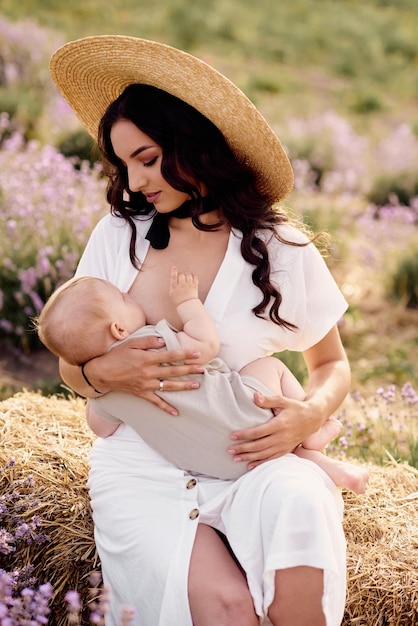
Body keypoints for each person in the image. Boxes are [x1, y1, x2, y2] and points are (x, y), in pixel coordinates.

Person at [49, 35, 353, 626]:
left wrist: (310, 416)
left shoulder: (279, 247)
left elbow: (331, 366)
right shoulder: (118, 235)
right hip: (142, 462)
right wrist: (97, 372)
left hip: (249, 451)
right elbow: (72, 356)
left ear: (193, 145)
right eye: (123, 164)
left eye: (147, 157)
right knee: (226, 608)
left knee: (300, 513)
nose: (134, 183)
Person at [36, 269, 368, 492]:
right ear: (119, 330)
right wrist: (187, 302)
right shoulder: (154, 341)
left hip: (221, 463)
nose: (131, 297)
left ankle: (328, 465)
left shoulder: (105, 394)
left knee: (268, 452)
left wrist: (99, 390)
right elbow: (206, 346)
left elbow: (100, 428)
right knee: (269, 366)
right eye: (124, 300)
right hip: (250, 412)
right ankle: (310, 423)